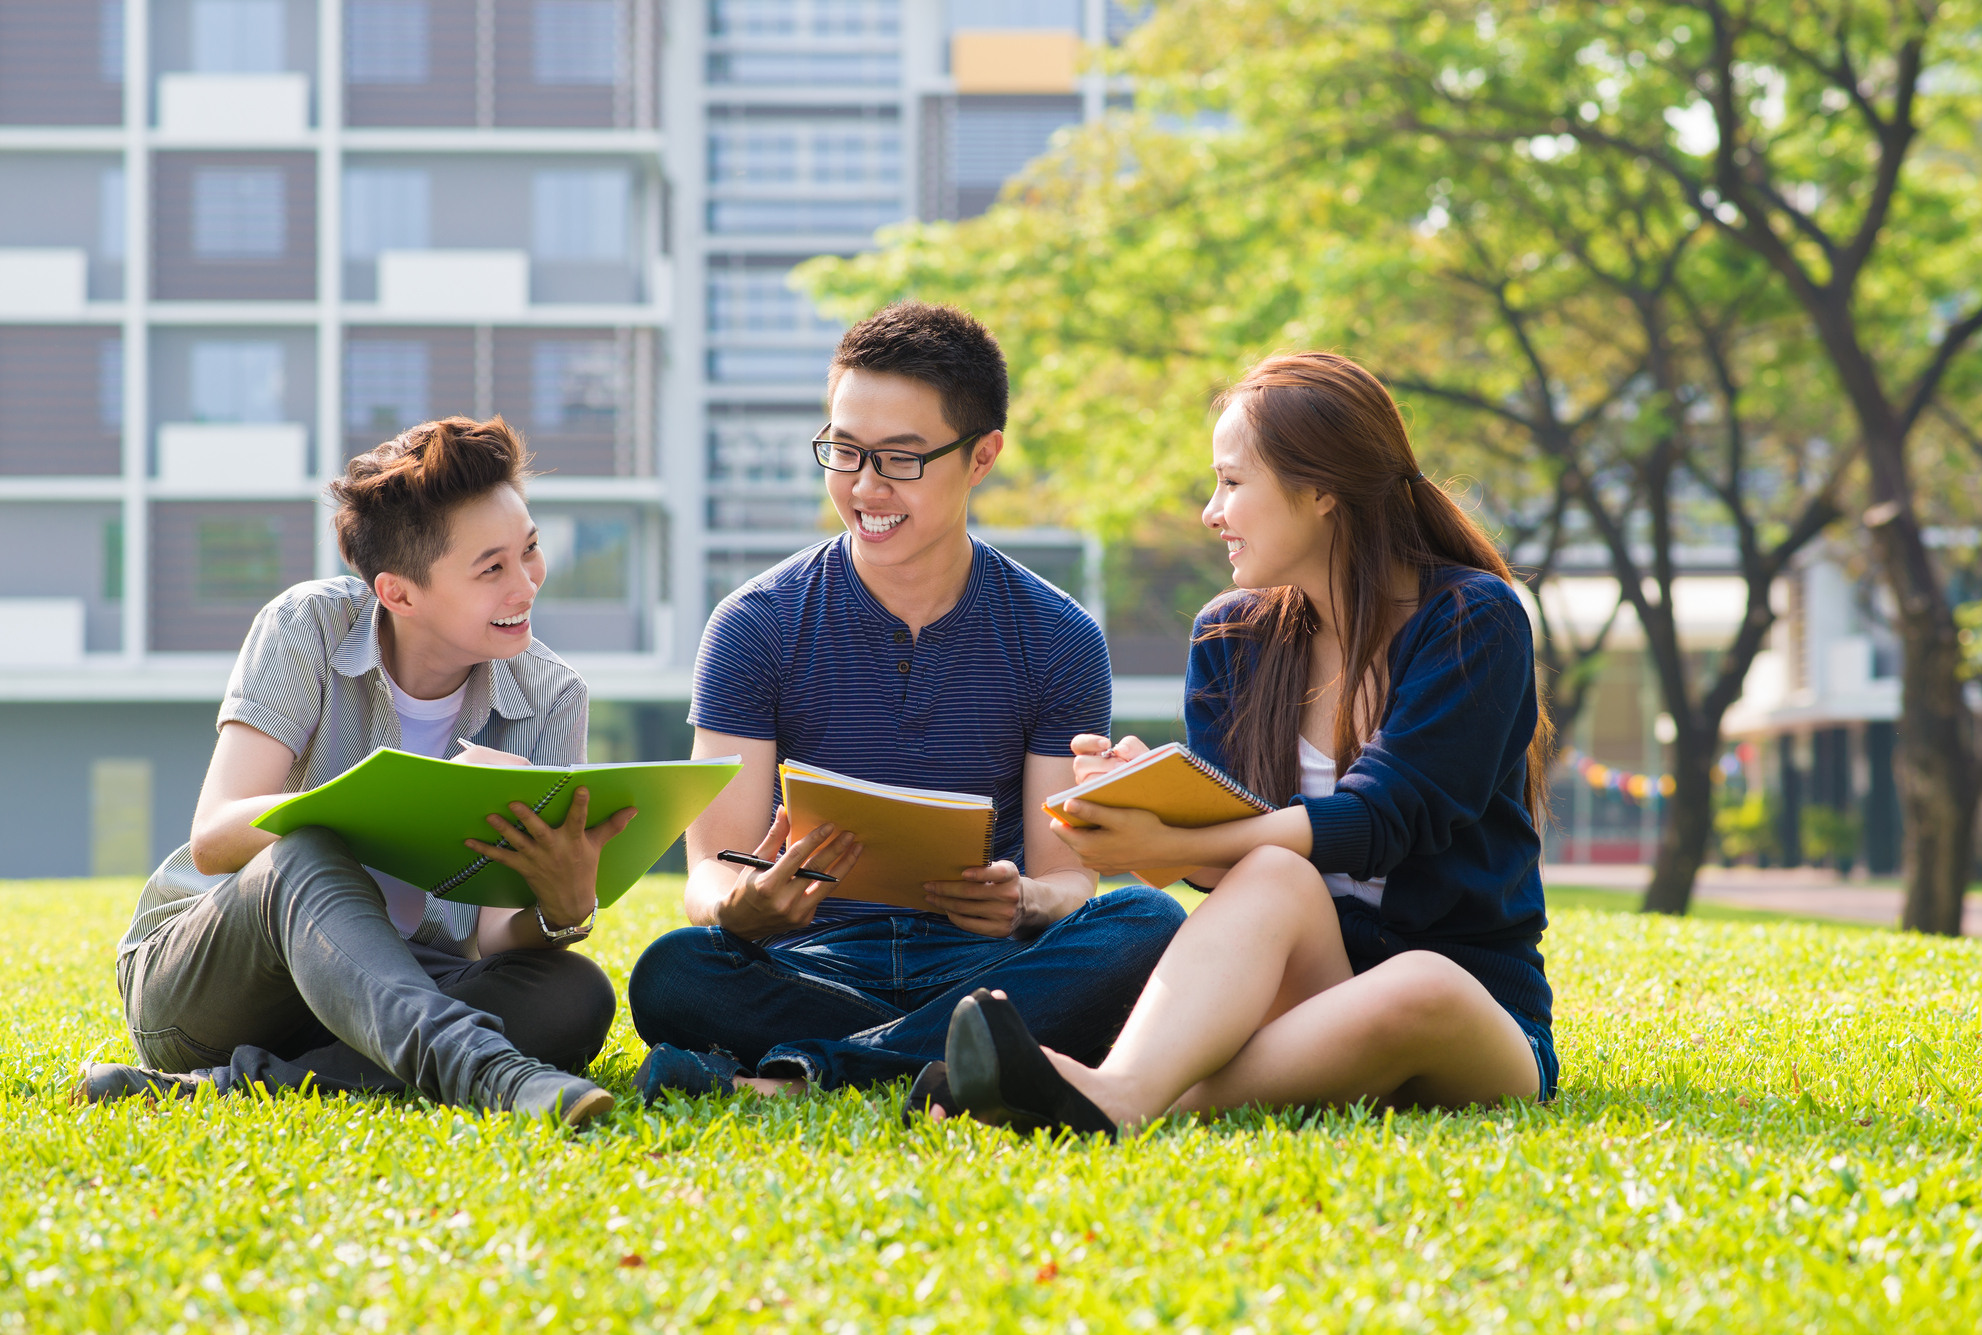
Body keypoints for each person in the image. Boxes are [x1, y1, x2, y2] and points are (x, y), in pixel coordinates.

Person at [941, 351, 1560, 1137]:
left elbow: (1384, 818)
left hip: (1470, 1010)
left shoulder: (1474, 618)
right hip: (1305, 988)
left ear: (1323, 489)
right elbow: (1213, 866)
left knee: (1419, 983)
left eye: (1232, 482)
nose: (1210, 510)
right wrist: (1142, 809)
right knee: (1271, 870)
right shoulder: (1232, 636)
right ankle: (1107, 1092)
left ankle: (1111, 1096)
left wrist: (1186, 832)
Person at [627, 301, 1185, 1110]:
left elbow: (1067, 882)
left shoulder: (1058, 635)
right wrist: (744, 906)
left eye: (900, 458)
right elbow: (709, 873)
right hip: (811, 960)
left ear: (982, 455)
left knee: (1143, 921)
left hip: (981, 964)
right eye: (844, 450)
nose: (864, 486)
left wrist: (1021, 897)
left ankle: (796, 1076)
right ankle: (940, 1060)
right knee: (674, 971)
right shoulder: (755, 623)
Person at [75, 417, 634, 1126]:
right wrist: (393, 812)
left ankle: (212, 1093)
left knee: (570, 992)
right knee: (303, 847)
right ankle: (487, 1070)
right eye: (492, 568)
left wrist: (561, 904)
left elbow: (496, 938)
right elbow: (216, 835)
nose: (526, 585)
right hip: (213, 981)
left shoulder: (550, 694)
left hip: (390, 988)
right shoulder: (307, 626)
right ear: (398, 593)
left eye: (530, 551)